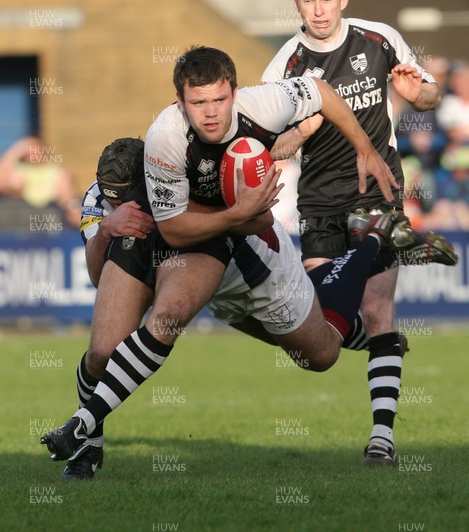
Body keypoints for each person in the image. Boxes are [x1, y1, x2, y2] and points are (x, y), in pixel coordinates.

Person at [41, 46, 418, 471]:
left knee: (320, 354)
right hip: (200, 235)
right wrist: (109, 229)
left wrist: (365, 148)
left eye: (219, 100)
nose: (210, 113)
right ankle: (85, 437)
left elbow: (320, 90)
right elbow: (158, 239)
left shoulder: (263, 104)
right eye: (198, 103)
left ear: (235, 93)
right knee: (108, 348)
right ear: (180, 103)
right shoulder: (161, 144)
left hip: (251, 245)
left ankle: (368, 243)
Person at [261, 0, 457, 466]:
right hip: (319, 204)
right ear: (297, 4)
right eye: (308, 0)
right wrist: (296, 133)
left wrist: (422, 96)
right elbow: (268, 147)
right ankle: (386, 343)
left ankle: (382, 440)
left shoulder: (379, 38)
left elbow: (430, 92)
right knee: (323, 327)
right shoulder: (284, 65)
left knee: (375, 308)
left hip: (378, 192)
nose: (319, 10)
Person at [65, 137, 157, 480]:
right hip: (135, 261)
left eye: (121, 195)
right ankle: (88, 446)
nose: (114, 201)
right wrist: (105, 230)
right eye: (109, 194)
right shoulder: (96, 196)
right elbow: (95, 277)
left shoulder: (167, 179)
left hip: (192, 257)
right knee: (101, 352)